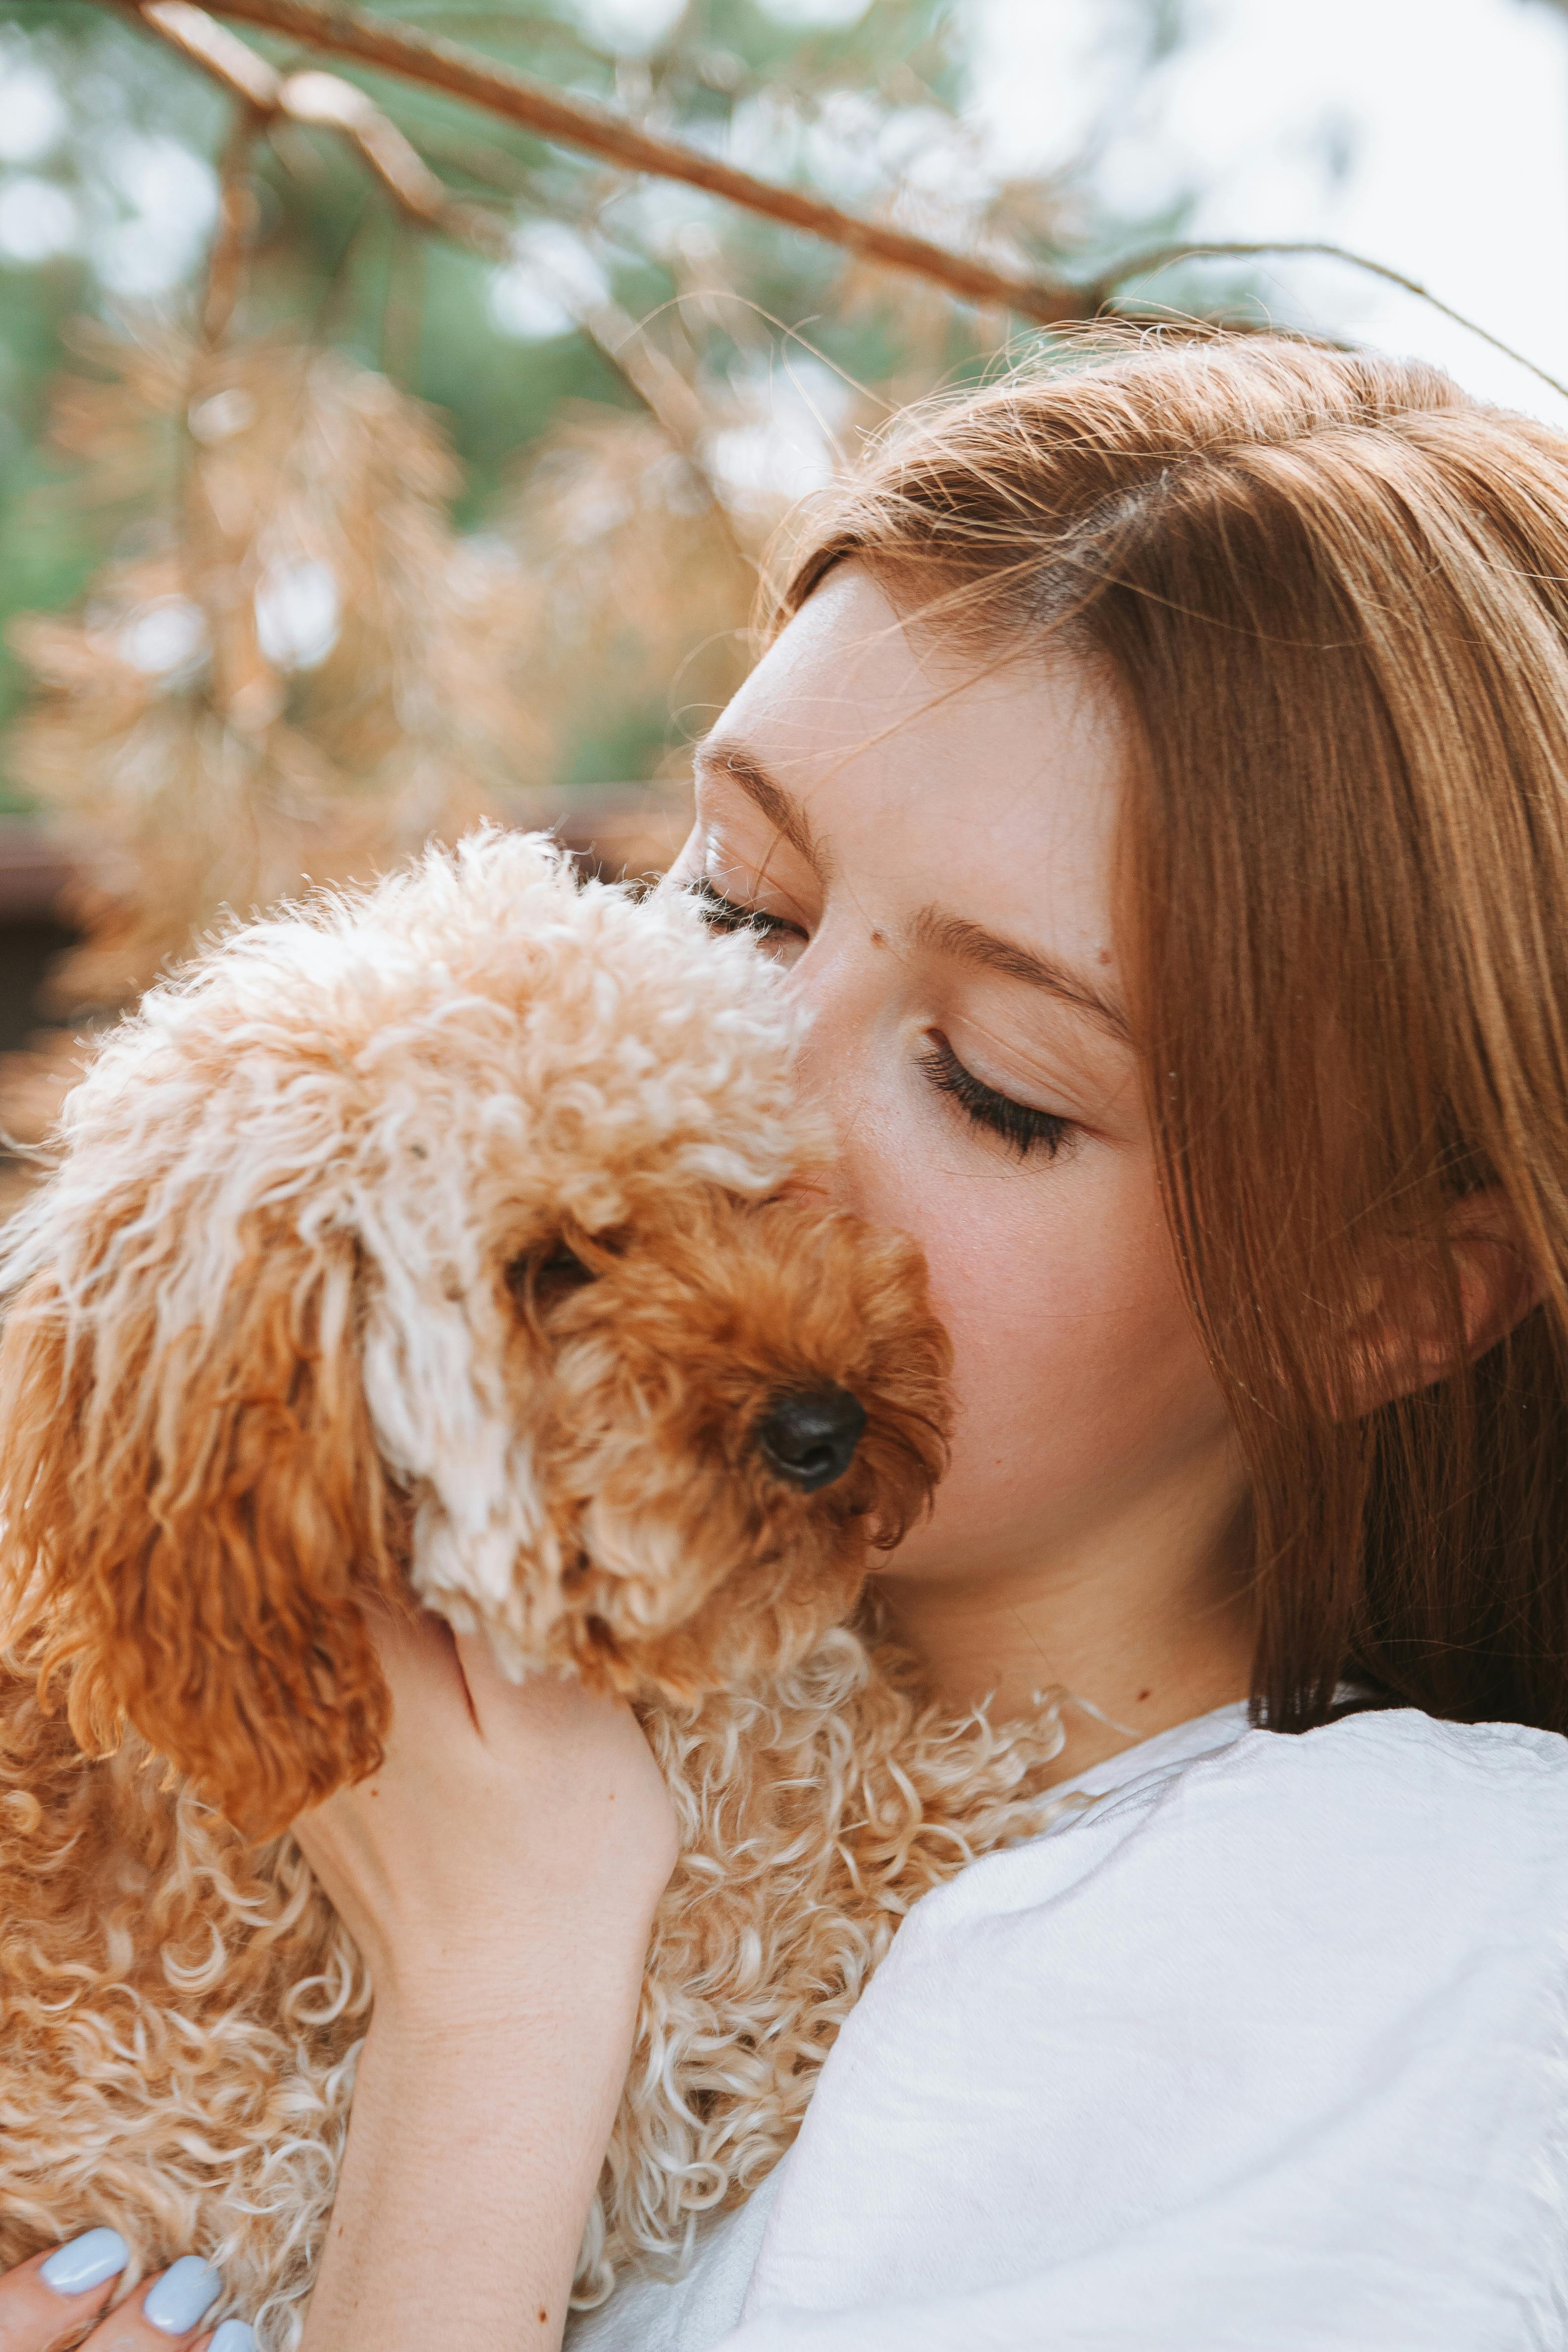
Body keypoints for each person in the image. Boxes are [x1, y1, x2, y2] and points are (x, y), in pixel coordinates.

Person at [9, 331, 1568, 2352]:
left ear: (1391, 1302)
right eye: (737, 899)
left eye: (1003, 1083)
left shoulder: (1441, 1943)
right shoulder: (332, 1728)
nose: (737, 1090)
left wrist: (497, 2007)